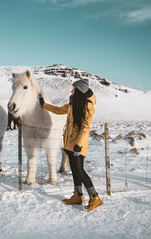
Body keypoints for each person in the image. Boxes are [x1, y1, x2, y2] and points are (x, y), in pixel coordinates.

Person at [39, 79, 103, 211]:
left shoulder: (88, 107)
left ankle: (95, 197)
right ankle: (78, 195)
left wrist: (79, 145)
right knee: (74, 169)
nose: (71, 91)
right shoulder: (73, 104)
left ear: (79, 91)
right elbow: (58, 110)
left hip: (79, 144)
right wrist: (44, 105)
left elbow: (86, 128)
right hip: (69, 142)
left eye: (73, 89)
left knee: (80, 170)